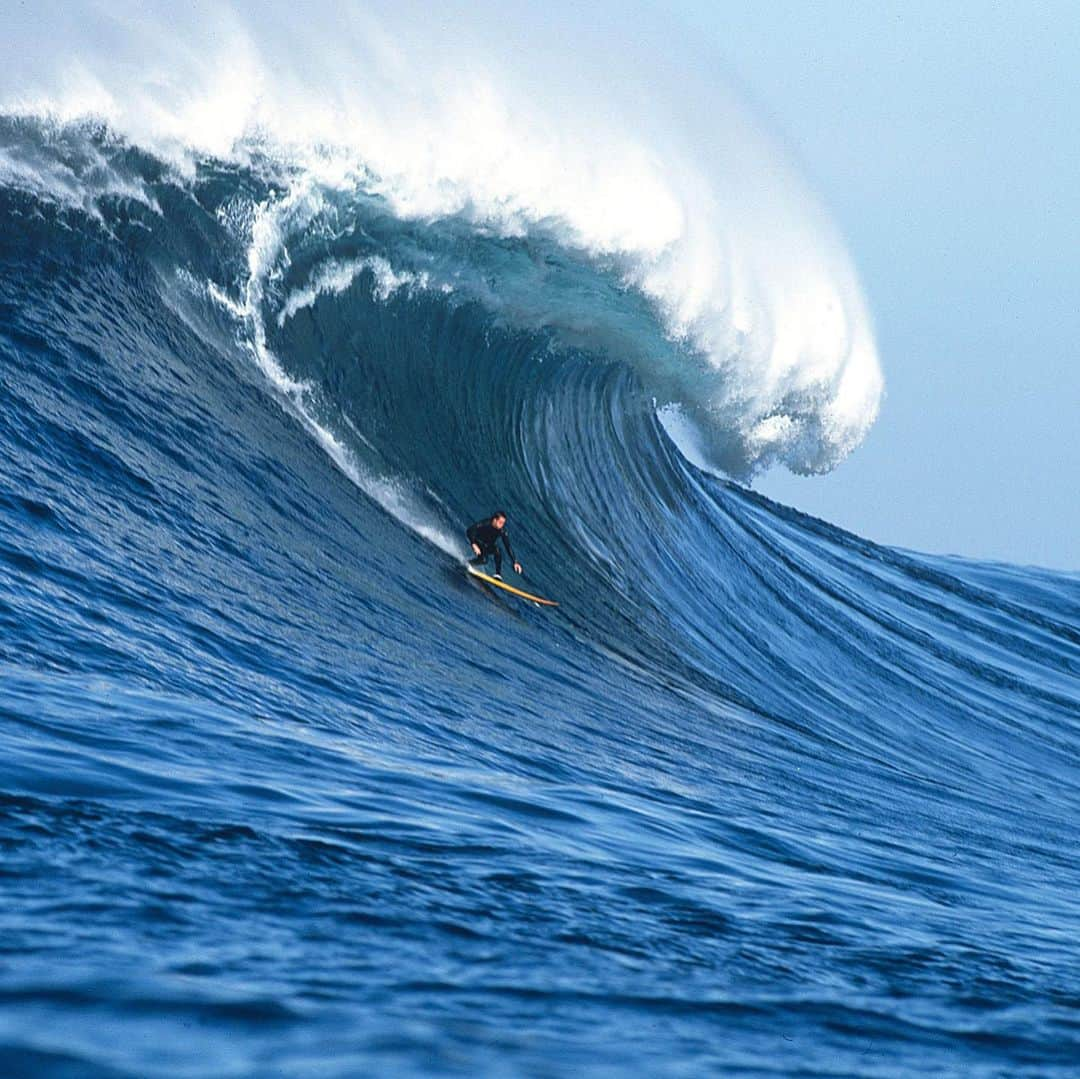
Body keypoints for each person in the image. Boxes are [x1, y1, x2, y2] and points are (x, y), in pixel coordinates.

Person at [466, 510, 522, 580]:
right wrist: (473, 543)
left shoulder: (502, 530)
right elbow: (470, 530)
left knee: (497, 550)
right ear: (495, 520)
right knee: (484, 560)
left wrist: (515, 562)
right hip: (477, 542)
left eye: (503, 523)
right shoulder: (486, 523)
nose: (502, 525)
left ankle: (497, 574)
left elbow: (508, 546)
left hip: (487, 546)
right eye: (500, 522)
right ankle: (467, 564)